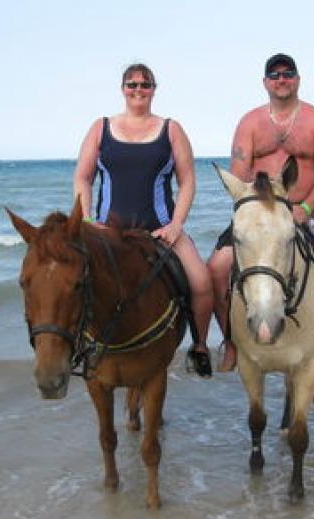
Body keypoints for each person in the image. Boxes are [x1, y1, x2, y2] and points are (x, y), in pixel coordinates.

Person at [207, 53, 314, 374]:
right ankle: (230, 341)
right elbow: (238, 174)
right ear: (265, 83)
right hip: (262, 214)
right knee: (217, 267)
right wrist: (256, 211)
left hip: (306, 210)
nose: (281, 79)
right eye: (274, 75)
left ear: (298, 80)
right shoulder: (250, 123)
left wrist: (304, 208)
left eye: (288, 74)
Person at [72, 63, 214, 377]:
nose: (138, 90)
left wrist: (176, 225)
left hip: (160, 232)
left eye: (145, 84)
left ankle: (200, 346)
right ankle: (80, 348)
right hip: (110, 235)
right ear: (123, 89)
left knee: (202, 282)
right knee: (72, 282)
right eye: (132, 84)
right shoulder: (101, 127)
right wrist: (86, 219)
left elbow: (187, 181)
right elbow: (83, 178)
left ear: (154, 89)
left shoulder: (171, 129)